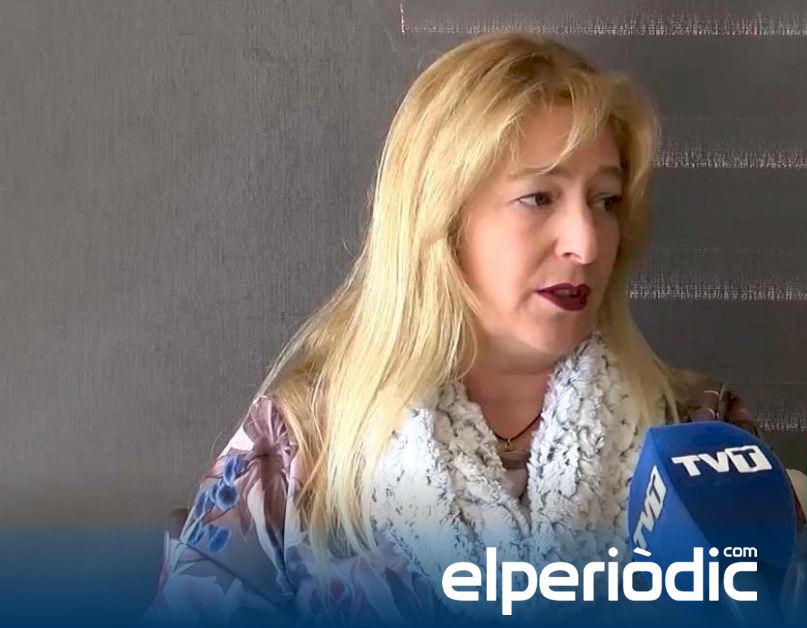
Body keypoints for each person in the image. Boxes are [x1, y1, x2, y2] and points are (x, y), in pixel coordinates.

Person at [141, 32, 770, 625]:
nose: (585, 243)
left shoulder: (702, 434)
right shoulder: (300, 447)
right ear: (443, 221)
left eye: (604, 201)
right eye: (539, 198)